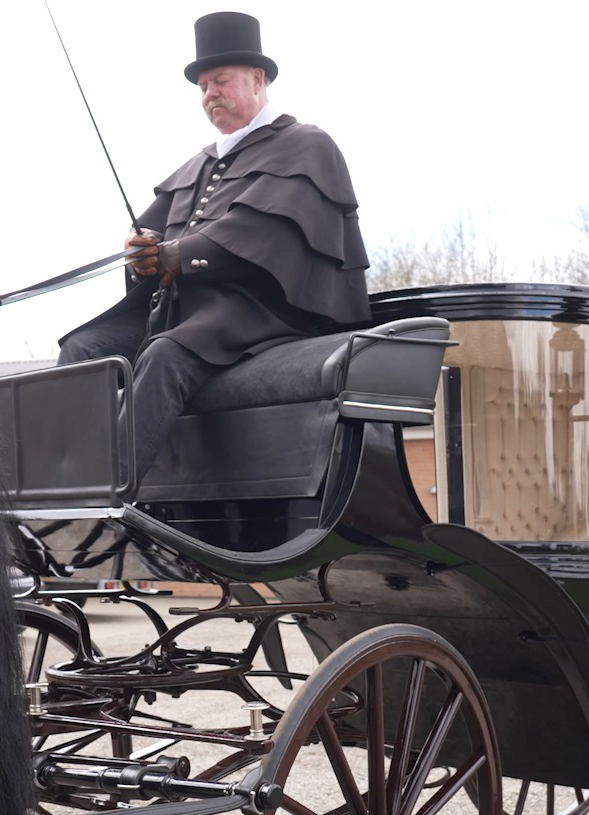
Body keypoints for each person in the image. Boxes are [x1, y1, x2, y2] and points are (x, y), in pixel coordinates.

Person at [57, 11, 369, 483]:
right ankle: (58, 479)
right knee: (82, 348)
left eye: (220, 81)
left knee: (165, 355)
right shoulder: (196, 164)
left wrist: (177, 256)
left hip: (262, 312)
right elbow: (152, 237)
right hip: (185, 313)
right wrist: (141, 251)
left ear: (257, 79)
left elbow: (259, 233)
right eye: (203, 87)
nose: (210, 95)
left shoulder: (304, 144)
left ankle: (110, 487)